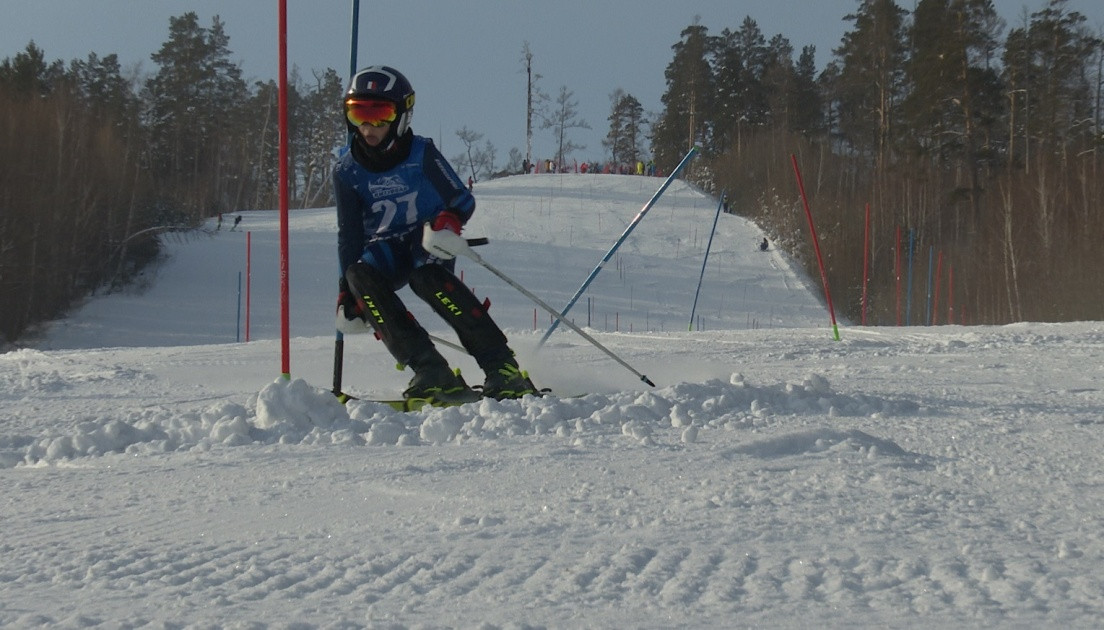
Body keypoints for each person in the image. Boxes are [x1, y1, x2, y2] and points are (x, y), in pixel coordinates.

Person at [333, 65, 539, 403]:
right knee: (359, 274)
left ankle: (502, 367)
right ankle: (430, 370)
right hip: (385, 248)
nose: (368, 127)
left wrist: (447, 223)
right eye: (358, 114)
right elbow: (349, 237)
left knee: (426, 277)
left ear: (401, 115)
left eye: (380, 114)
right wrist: (346, 293)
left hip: (425, 240)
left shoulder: (421, 154)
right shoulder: (346, 169)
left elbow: (461, 199)